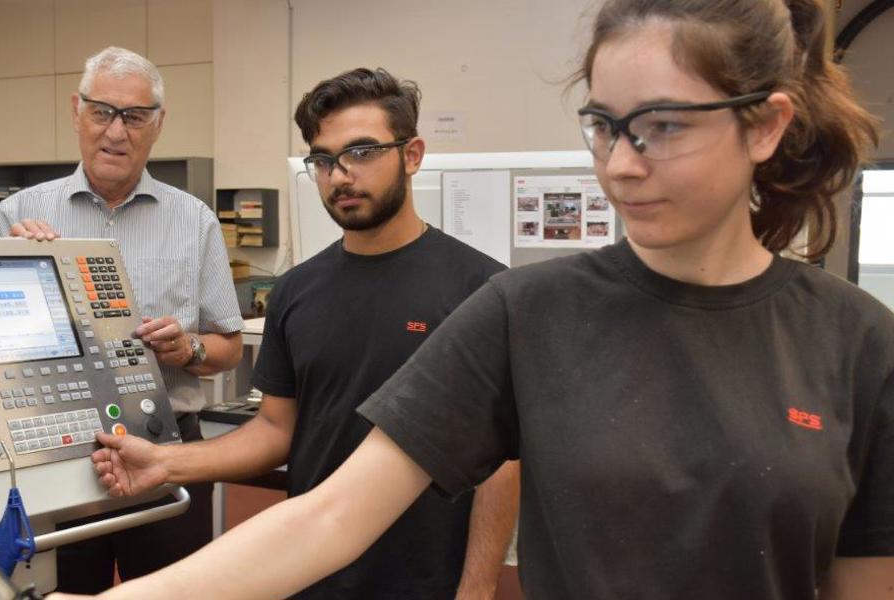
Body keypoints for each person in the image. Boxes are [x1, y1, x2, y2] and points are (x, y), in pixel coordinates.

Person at [52, 0, 894, 598]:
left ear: (766, 125)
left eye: (664, 125)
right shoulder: (528, 310)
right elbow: (328, 516)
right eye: (604, 124)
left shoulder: (858, 344)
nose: (621, 165)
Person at [81, 67, 520, 599]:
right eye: (324, 159)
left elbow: (502, 463)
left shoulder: (484, 289)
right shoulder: (295, 292)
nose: (340, 175)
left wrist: (476, 587)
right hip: (311, 570)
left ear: (411, 155)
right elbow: (274, 430)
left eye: (362, 152)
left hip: (431, 577)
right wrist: (164, 463)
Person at [0, 46, 244, 593]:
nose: (116, 132)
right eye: (103, 111)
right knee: (66, 591)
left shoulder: (193, 220)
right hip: (57, 457)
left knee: (176, 591)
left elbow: (227, 346)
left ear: (158, 124)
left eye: (135, 116)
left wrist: (188, 350)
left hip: (170, 450)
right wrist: (12, 273)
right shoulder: (18, 217)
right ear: (76, 111)